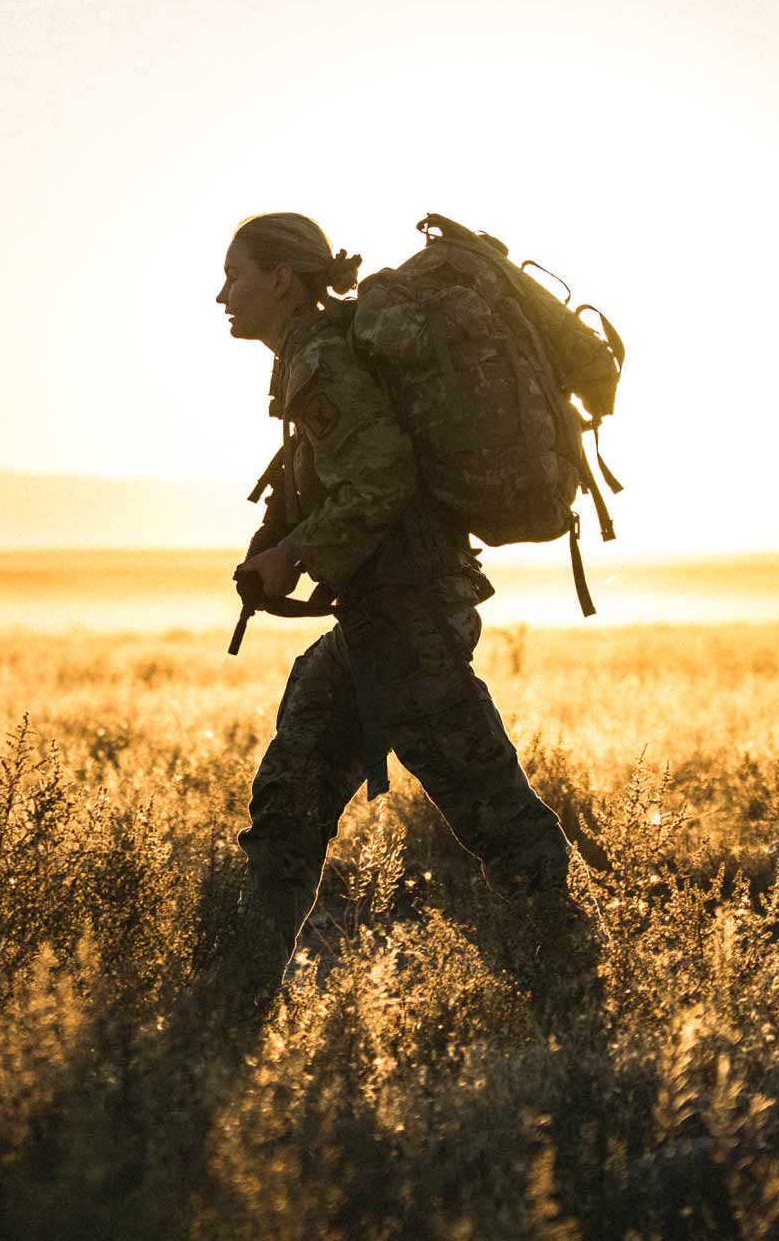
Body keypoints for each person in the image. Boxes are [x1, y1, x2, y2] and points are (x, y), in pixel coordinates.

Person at [217, 211, 590, 1009]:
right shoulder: (309, 357)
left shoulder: (321, 357)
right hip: (380, 623)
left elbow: (382, 479)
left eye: (236, 275)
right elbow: (341, 471)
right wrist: (280, 533)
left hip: (412, 620)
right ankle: (233, 1002)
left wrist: (294, 556)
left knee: (497, 817)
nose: (223, 295)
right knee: (291, 796)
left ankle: (585, 982)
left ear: (282, 278)